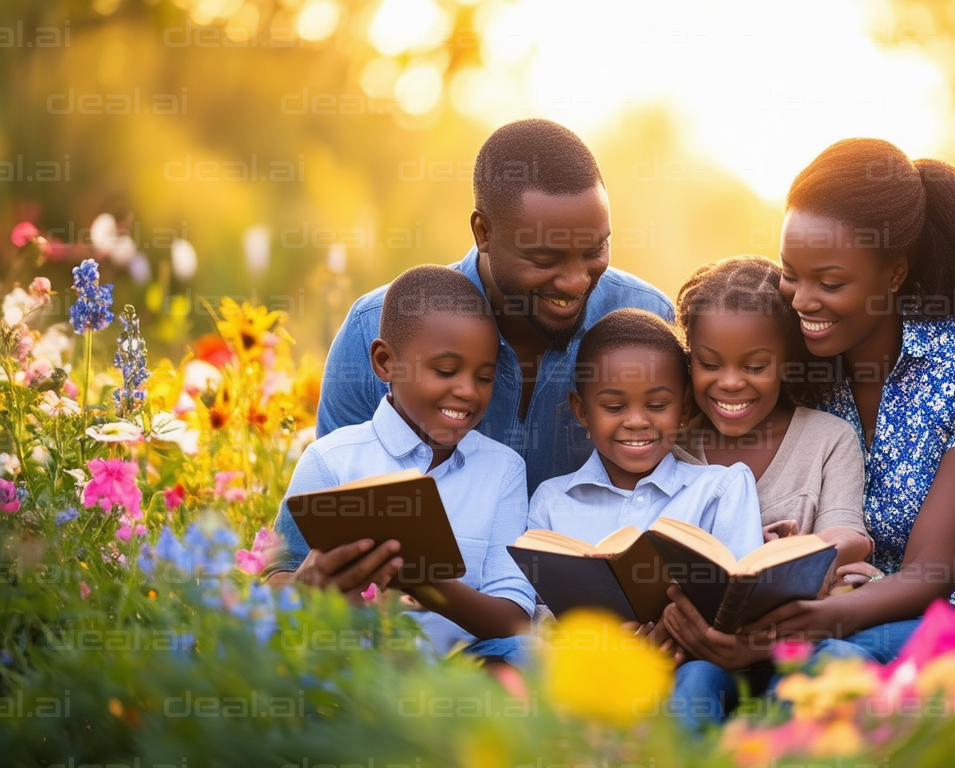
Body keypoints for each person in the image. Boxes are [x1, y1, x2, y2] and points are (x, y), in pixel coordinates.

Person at [666, 138, 955, 704]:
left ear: (894, 274)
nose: (802, 300)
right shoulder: (798, 368)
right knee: (704, 678)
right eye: (791, 274)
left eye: (830, 283)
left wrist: (786, 634)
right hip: (829, 613)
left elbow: (928, 577)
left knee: (830, 666)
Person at [317, 119, 674, 498]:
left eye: (595, 250)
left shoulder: (650, 322)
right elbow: (317, 522)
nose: (577, 282)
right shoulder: (373, 328)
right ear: (483, 232)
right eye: (544, 258)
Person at [266, 266, 535, 664]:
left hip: (463, 676)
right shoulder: (330, 461)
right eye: (445, 371)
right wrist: (308, 586)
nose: (467, 391)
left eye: (484, 377)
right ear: (384, 362)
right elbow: (275, 583)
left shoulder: (502, 470)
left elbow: (514, 621)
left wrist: (427, 583)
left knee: (527, 654)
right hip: (354, 671)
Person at [665, 254, 874, 729]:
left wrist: (795, 556)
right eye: (708, 364)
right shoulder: (673, 448)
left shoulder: (829, 438)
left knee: (834, 664)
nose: (731, 382)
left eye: (756, 365)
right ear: (690, 359)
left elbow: (849, 537)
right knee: (693, 686)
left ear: (787, 362)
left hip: (795, 641)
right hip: (701, 651)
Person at [526, 308, 764, 560]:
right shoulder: (551, 501)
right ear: (582, 411)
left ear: (684, 409)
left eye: (657, 406)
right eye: (615, 407)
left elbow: (744, 590)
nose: (637, 422)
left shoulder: (718, 491)